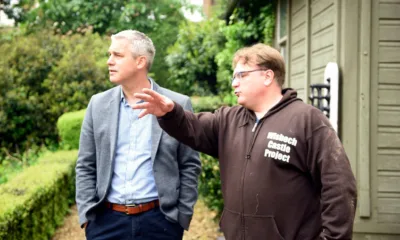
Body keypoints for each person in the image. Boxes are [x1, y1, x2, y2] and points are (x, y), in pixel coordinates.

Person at [132, 43, 357, 240]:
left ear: (268, 76)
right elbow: (193, 127)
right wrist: (169, 113)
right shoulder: (229, 119)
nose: (234, 83)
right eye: (234, 76)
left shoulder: (307, 120)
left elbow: (339, 185)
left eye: (241, 75)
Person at [75, 30, 201, 240]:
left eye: (117, 55)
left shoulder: (177, 104)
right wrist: (87, 215)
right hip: (105, 223)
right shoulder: (97, 104)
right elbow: (85, 164)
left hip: (161, 223)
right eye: (109, 54)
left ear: (140, 61)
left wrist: (182, 216)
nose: (109, 61)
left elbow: (189, 164)